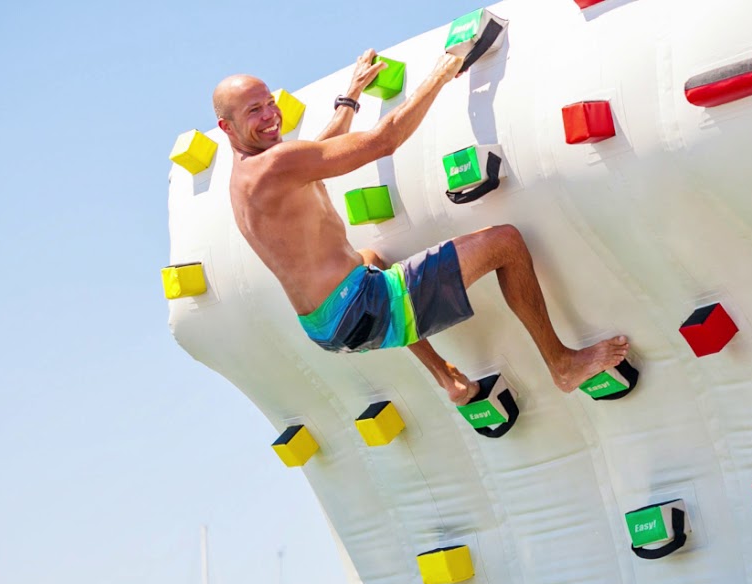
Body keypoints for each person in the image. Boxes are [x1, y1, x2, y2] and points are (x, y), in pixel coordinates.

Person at [212, 49, 629, 406]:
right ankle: (561, 364)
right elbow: (383, 142)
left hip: (325, 326)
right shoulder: (275, 164)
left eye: (269, 102)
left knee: (370, 259)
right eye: (254, 110)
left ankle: (448, 379)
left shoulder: (249, 174)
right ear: (226, 127)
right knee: (505, 243)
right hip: (364, 308)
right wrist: (441, 74)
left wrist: (350, 98)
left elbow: (318, 154)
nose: (270, 115)